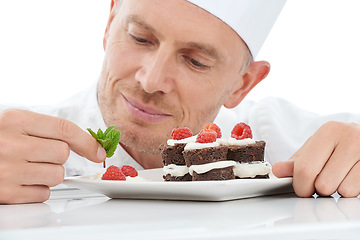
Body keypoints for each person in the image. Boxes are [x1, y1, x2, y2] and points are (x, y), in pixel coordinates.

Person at [0, 0, 359, 204]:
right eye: (140, 38)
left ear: (242, 84)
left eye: (195, 61)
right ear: (110, 23)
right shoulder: (16, 146)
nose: (151, 79)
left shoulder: (279, 139)